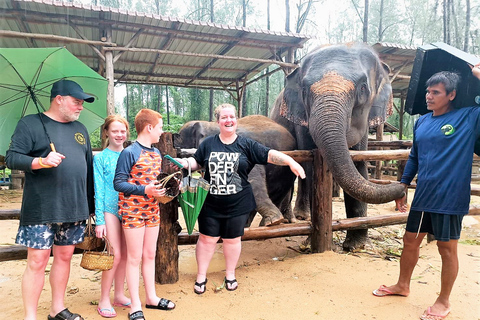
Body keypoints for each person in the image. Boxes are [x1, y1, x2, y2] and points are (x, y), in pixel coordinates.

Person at [372, 67, 480, 320]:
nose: (429, 96)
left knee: (446, 248)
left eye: (436, 92)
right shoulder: (422, 122)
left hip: (450, 196)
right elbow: (414, 157)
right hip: (425, 194)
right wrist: (403, 186)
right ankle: (403, 285)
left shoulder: (468, 117)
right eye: (428, 92)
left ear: (451, 95)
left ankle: (443, 301)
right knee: (410, 241)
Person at [172, 103, 306, 295]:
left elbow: (268, 154)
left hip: (237, 203)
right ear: (218, 121)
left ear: (236, 119)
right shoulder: (209, 143)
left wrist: (290, 161)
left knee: (232, 241)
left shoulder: (246, 143)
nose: (228, 120)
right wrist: (185, 163)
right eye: (224, 117)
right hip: (210, 202)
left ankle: (230, 274)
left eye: (231, 117)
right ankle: (201, 275)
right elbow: (198, 162)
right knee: (206, 240)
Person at [6, 79, 95, 320]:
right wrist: (40, 161)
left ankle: (57, 308)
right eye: (76, 102)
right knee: (37, 260)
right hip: (42, 206)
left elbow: (87, 167)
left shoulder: (80, 130)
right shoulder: (30, 124)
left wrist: (90, 207)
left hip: (74, 206)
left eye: (82, 103)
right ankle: (30, 316)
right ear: (59, 99)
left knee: (65, 257)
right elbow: (12, 158)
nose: (80, 107)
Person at [113, 109, 175, 320]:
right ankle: (135, 305)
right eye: (159, 127)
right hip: (133, 211)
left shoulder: (156, 153)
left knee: (150, 255)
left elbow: (154, 181)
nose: (161, 131)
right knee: (134, 258)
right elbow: (118, 183)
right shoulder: (129, 152)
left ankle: (152, 297)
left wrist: (165, 188)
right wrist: (145, 190)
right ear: (149, 127)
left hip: (152, 210)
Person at [93, 115, 131, 317]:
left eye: (123, 131)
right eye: (115, 131)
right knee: (114, 256)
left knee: (125, 255)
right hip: (109, 209)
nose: (119, 134)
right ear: (106, 132)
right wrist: (100, 220)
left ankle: (119, 294)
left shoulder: (131, 154)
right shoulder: (100, 158)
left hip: (130, 209)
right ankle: (104, 299)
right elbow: (98, 190)